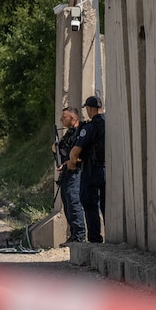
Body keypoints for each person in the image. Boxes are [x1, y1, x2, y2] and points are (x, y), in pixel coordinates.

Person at [67, 95, 105, 243]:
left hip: (92, 169)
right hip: (108, 169)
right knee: (106, 204)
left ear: (89, 109)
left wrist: (73, 162)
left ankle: (95, 238)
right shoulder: (110, 123)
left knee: (89, 202)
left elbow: (75, 152)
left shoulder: (90, 127)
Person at [54, 107, 85, 244]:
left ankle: (79, 235)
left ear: (72, 118)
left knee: (73, 201)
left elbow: (81, 154)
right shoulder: (69, 134)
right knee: (67, 202)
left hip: (76, 171)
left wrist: (68, 162)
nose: (61, 120)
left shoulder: (81, 132)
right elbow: (62, 150)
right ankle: (74, 234)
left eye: (64, 117)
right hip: (67, 172)